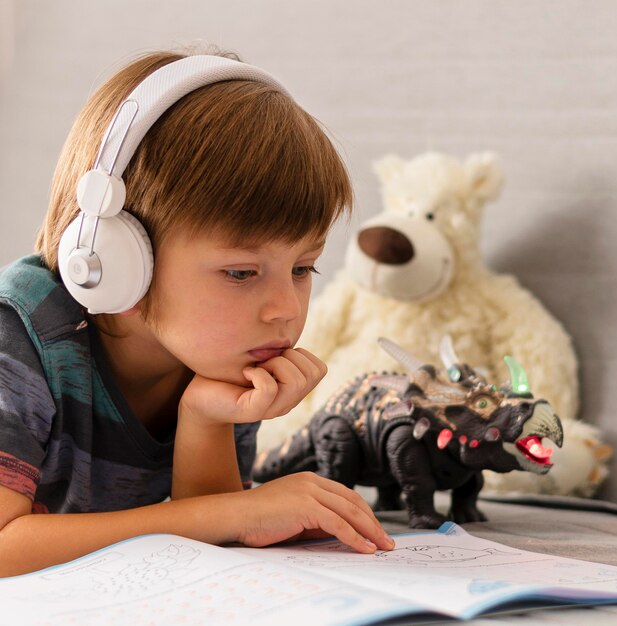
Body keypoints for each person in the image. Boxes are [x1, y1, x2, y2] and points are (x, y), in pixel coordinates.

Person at [0, 48, 394, 577]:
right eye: (240, 273)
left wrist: (205, 419)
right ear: (115, 260)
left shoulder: (219, 355)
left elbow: (210, 542)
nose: (285, 310)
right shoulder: (21, 335)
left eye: (303, 269)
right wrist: (234, 511)